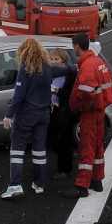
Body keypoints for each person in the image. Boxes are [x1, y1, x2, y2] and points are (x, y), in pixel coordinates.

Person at [61, 33, 112, 198]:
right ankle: (96, 181)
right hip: (100, 111)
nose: (73, 49)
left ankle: (82, 186)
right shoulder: (98, 62)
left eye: (73, 46)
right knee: (98, 148)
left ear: (77, 46)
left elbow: (86, 92)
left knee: (86, 149)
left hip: (90, 113)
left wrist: (80, 108)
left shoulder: (87, 65)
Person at [1, 37, 53, 199]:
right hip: (44, 114)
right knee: (39, 150)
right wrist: (74, 67)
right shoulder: (47, 69)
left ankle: (15, 185)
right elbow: (67, 70)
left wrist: (8, 115)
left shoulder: (25, 70)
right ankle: (39, 184)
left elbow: (18, 96)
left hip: (27, 115)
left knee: (17, 149)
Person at [47, 48, 77, 180]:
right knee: (51, 139)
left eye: (56, 59)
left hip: (65, 111)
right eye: (52, 59)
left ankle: (65, 169)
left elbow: (72, 93)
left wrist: (58, 92)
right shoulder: (50, 73)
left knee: (64, 139)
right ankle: (68, 155)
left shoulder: (70, 74)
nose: (53, 62)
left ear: (64, 62)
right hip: (52, 109)